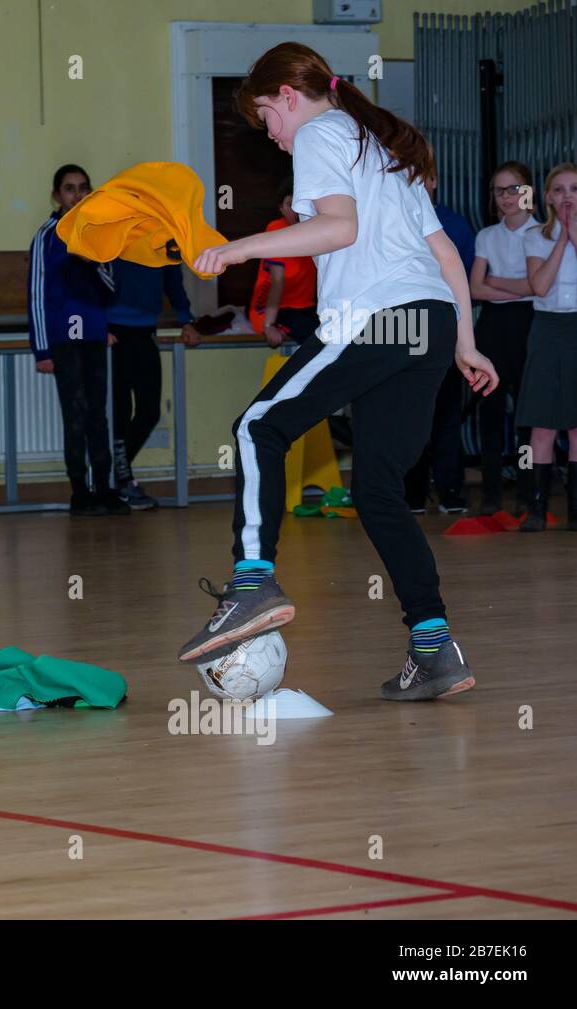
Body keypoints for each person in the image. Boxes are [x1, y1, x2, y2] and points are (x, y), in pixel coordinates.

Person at [177, 43, 498, 701]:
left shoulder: (322, 133)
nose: (271, 135)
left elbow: (337, 230)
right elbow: (441, 252)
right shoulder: (384, 147)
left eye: (267, 118)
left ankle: (252, 582)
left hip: (376, 318)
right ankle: (434, 648)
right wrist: (465, 341)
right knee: (379, 488)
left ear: (289, 96)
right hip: (428, 324)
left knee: (257, 426)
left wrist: (236, 248)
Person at [28, 164, 128, 516]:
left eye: (83, 188)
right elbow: (37, 294)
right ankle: (79, 493)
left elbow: (113, 289)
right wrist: (41, 348)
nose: (77, 195)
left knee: (99, 414)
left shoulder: (99, 233)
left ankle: (105, 489)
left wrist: (92, 262)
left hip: (93, 335)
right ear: (57, 195)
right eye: (69, 189)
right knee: (76, 414)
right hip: (63, 338)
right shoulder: (48, 234)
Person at [468, 161, 540, 514]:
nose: (507, 197)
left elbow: (538, 287)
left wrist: (496, 284)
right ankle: (491, 495)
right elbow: (474, 288)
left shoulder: (543, 234)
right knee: (490, 413)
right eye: (499, 190)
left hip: (530, 325)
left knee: (527, 418)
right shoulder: (486, 236)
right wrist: (521, 288)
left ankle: (527, 494)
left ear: (527, 191)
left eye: (514, 189)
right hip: (494, 326)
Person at [403, 163, 473, 514]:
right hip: (405, 326)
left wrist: (466, 342)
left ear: (433, 181)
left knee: (447, 413)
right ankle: (412, 494)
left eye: (422, 175)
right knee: (412, 412)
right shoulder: (395, 215)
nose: (415, 181)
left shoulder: (456, 224)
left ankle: (450, 492)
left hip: (445, 326)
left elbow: (467, 280)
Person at [106, 262, 200, 509]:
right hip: (112, 329)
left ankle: (114, 475)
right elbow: (91, 277)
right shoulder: (112, 229)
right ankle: (122, 480)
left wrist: (186, 319)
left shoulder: (162, 234)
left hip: (145, 329)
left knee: (149, 411)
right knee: (119, 409)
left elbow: (173, 281)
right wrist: (92, 325)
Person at [517, 161, 577, 532]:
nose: (567, 196)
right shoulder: (535, 236)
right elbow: (539, 286)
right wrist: (561, 238)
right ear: (549, 196)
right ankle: (537, 508)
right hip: (547, 327)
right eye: (560, 190)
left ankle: (575, 510)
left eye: (574, 189)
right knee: (542, 423)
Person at [247, 177, 319, 348]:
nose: (297, 210)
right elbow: (277, 281)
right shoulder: (276, 229)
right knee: (314, 339)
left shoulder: (315, 230)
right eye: (290, 204)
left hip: (306, 306)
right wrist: (268, 325)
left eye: (301, 203)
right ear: (280, 208)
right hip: (273, 308)